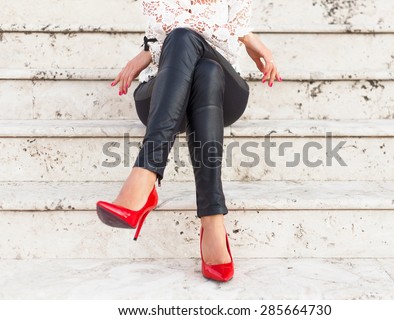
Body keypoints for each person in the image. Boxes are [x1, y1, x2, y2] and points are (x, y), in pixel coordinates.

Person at [96, 0, 282, 282]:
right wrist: (148, 51)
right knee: (198, 59)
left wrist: (249, 38)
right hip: (163, 94)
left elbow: (228, 34)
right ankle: (213, 221)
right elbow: (164, 36)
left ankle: (145, 175)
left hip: (225, 94)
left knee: (198, 54)